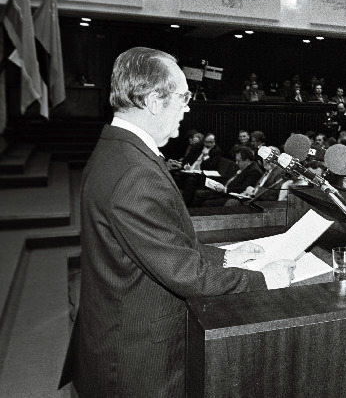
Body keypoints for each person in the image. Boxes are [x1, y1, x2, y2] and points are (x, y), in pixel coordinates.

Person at [64, 47, 295, 397]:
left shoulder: (116, 148)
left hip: (119, 326)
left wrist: (226, 257)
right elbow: (184, 274)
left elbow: (161, 244)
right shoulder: (134, 173)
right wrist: (265, 278)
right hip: (137, 355)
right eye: (183, 96)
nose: (188, 107)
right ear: (155, 100)